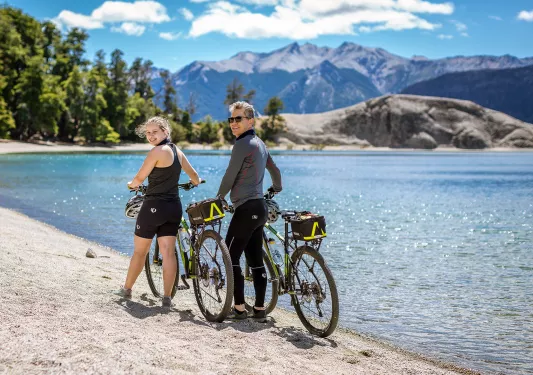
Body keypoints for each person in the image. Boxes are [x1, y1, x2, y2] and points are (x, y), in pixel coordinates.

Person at [117, 116, 201, 308]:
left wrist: (131, 185)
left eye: (154, 132)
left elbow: (139, 178)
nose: (150, 136)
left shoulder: (156, 152)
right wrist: (194, 183)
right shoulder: (178, 151)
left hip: (154, 206)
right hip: (174, 207)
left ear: (165, 131)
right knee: (169, 253)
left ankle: (127, 289)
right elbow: (195, 177)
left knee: (140, 251)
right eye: (147, 133)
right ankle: (166, 298)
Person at [217, 101, 282, 321]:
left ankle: (239, 309)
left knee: (230, 257)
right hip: (260, 208)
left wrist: (219, 197)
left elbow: (230, 174)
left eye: (239, 119)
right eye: (231, 119)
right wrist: (277, 187)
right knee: (255, 260)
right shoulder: (260, 144)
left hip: (246, 209)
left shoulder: (243, 144)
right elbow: (274, 170)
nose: (234, 123)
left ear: (250, 120)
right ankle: (260, 309)